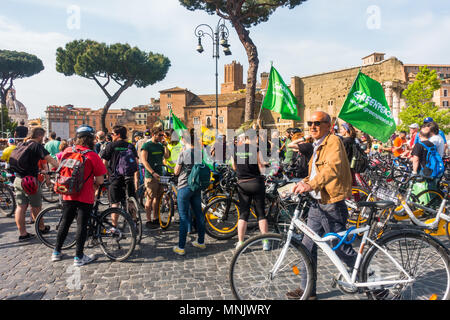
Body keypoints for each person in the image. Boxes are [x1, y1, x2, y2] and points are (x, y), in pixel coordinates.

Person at [289, 111, 356, 300]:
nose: (312, 126)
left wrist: (310, 185)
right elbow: (314, 174)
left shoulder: (333, 141)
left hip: (331, 203)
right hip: (317, 204)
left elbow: (332, 168)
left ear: (329, 125)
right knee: (307, 246)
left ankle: (374, 282)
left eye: (317, 123)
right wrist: (300, 183)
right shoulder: (317, 144)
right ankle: (307, 291)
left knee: (340, 248)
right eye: (310, 122)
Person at [51, 125, 107, 265]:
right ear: (91, 139)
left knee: (66, 221)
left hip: (67, 192)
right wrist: (93, 182)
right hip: (85, 195)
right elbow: (100, 180)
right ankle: (79, 257)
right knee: (82, 225)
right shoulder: (91, 155)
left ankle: (56, 252)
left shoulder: (67, 151)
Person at [10, 127, 59, 241]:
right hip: (30, 181)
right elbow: (50, 160)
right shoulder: (36, 146)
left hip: (18, 179)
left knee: (21, 207)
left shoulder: (21, 144)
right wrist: (61, 167)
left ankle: (23, 233)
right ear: (40, 136)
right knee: (36, 206)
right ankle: (41, 228)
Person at [232, 128, 269, 250]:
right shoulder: (256, 149)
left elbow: (234, 166)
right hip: (256, 183)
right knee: (260, 214)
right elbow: (261, 166)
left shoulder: (235, 150)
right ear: (253, 138)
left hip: (242, 183)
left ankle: (241, 242)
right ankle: (265, 242)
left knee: (243, 214)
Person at [172, 128, 206, 255]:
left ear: (183, 139)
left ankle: (181, 247)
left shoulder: (183, 153)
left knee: (183, 217)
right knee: (199, 214)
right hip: (196, 186)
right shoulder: (200, 152)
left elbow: (176, 171)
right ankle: (201, 242)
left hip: (184, 186)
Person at [101, 125, 139, 221]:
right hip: (129, 176)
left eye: (113, 134)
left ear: (118, 135)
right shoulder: (130, 146)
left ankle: (114, 227)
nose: (112, 136)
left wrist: (106, 175)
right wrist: (136, 178)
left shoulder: (111, 146)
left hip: (115, 177)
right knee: (130, 200)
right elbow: (136, 162)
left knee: (115, 203)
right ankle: (134, 221)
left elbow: (104, 162)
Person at [140, 127, 170, 228]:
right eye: (160, 135)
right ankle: (148, 220)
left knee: (158, 198)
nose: (162, 137)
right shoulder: (147, 145)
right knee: (149, 198)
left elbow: (167, 156)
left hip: (160, 174)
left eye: (163, 135)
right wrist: (152, 172)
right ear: (154, 134)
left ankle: (156, 218)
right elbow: (144, 161)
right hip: (151, 176)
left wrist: (166, 146)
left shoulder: (161, 145)